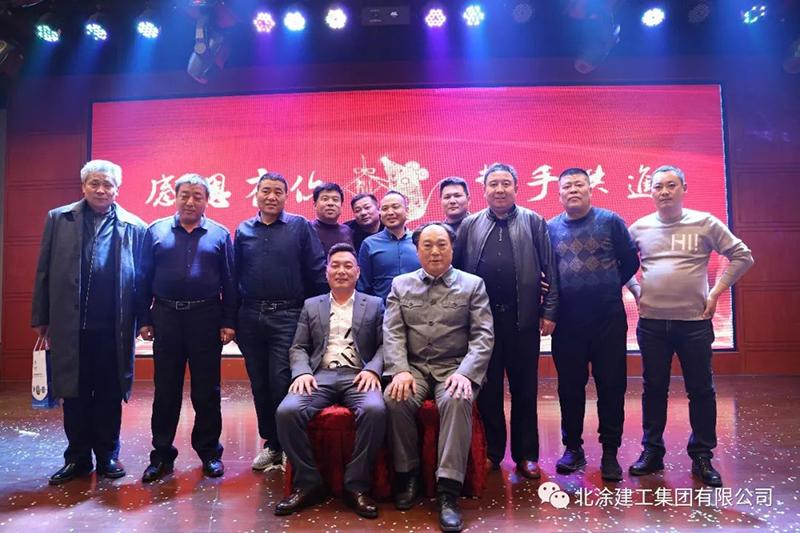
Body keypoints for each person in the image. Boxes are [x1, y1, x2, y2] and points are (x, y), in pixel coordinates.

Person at [626, 165, 754, 487]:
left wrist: (716, 292)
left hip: (694, 324)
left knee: (701, 390)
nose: (664, 192)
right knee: (653, 389)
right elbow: (617, 263)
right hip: (652, 324)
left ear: (684, 188)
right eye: (658, 186)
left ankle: (702, 456)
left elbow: (743, 256)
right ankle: (652, 451)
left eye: (671, 185)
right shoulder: (639, 228)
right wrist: (637, 290)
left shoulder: (704, 222)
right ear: (650, 192)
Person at [32, 160, 147, 485]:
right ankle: (77, 458)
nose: (101, 190)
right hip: (70, 326)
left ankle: (108, 455)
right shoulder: (59, 218)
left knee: (110, 393)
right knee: (74, 394)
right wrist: (41, 317)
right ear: (83, 186)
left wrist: (143, 322)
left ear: (117, 189)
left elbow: (142, 280)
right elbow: (43, 270)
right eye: (94, 183)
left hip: (114, 328)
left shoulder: (134, 226)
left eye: (107, 184)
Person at [384, 222, 493, 533]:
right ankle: (408, 475)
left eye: (442, 245)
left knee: (458, 399)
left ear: (452, 249)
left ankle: (448, 490)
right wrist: (400, 369)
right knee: (394, 399)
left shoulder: (472, 285)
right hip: (415, 368)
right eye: (427, 245)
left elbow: (483, 336)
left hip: (454, 368)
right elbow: (392, 333)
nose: (435, 251)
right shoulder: (400, 285)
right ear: (417, 251)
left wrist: (466, 373)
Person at [453, 162, 559, 479]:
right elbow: (456, 273)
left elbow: (550, 269)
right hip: (482, 324)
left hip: (522, 321)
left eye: (505, 184)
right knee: (488, 392)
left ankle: (527, 455)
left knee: (525, 390)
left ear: (515, 188)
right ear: (484, 190)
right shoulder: (470, 225)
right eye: (493, 184)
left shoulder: (534, 221)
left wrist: (549, 311)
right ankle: (492, 452)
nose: (499, 190)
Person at [275, 243, 386, 519]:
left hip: (358, 375)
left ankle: (355, 486)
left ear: (358, 272)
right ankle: (308, 484)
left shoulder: (374, 304)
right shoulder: (312, 305)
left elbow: (386, 345)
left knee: (375, 410)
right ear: (326, 272)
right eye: (335, 266)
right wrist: (302, 372)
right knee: (287, 412)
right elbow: (299, 346)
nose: (341, 271)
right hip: (319, 376)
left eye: (348, 266)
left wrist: (373, 370)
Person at [137, 173, 236, 482]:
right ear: (175, 197)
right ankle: (161, 455)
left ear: (207, 201)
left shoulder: (219, 234)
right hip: (166, 317)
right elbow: (142, 278)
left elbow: (230, 281)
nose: (190, 201)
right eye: (185, 195)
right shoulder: (156, 231)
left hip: (206, 317)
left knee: (207, 391)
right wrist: (144, 319)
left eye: (197, 196)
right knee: (166, 390)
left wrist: (228, 321)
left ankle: (209, 453)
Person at [547, 168, 640, 482]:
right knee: (569, 387)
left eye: (579, 185)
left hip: (607, 319)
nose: (573, 190)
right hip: (567, 322)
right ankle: (573, 448)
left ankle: (610, 451)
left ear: (590, 189)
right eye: (567, 186)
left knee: (611, 386)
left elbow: (630, 261)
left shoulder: (610, 221)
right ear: (559, 193)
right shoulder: (549, 228)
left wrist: (607, 285)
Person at [235, 172, 328, 472]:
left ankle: (290, 445)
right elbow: (234, 276)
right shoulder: (243, 230)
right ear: (256, 195)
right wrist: (232, 319)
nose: (271, 196)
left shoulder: (299, 226)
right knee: (259, 384)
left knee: (282, 382)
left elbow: (317, 271)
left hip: (288, 315)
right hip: (250, 317)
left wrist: (318, 318)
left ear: (287, 196)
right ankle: (272, 445)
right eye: (266, 191)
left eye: (278, 191)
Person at [356, 190, 421, 301]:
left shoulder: (420, 241)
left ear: (407, 210)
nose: (390, 212)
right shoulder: (369, 244)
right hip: (383, 309)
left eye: (395, 207)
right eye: (385, 208)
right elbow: (363, 287)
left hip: (419, 307)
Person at [310, 182, 354, 256]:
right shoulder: (308, 230)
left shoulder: (347, 231)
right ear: (315, 205)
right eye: (325, 199)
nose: (330, 203)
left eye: (335, 200)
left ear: (341, 205)